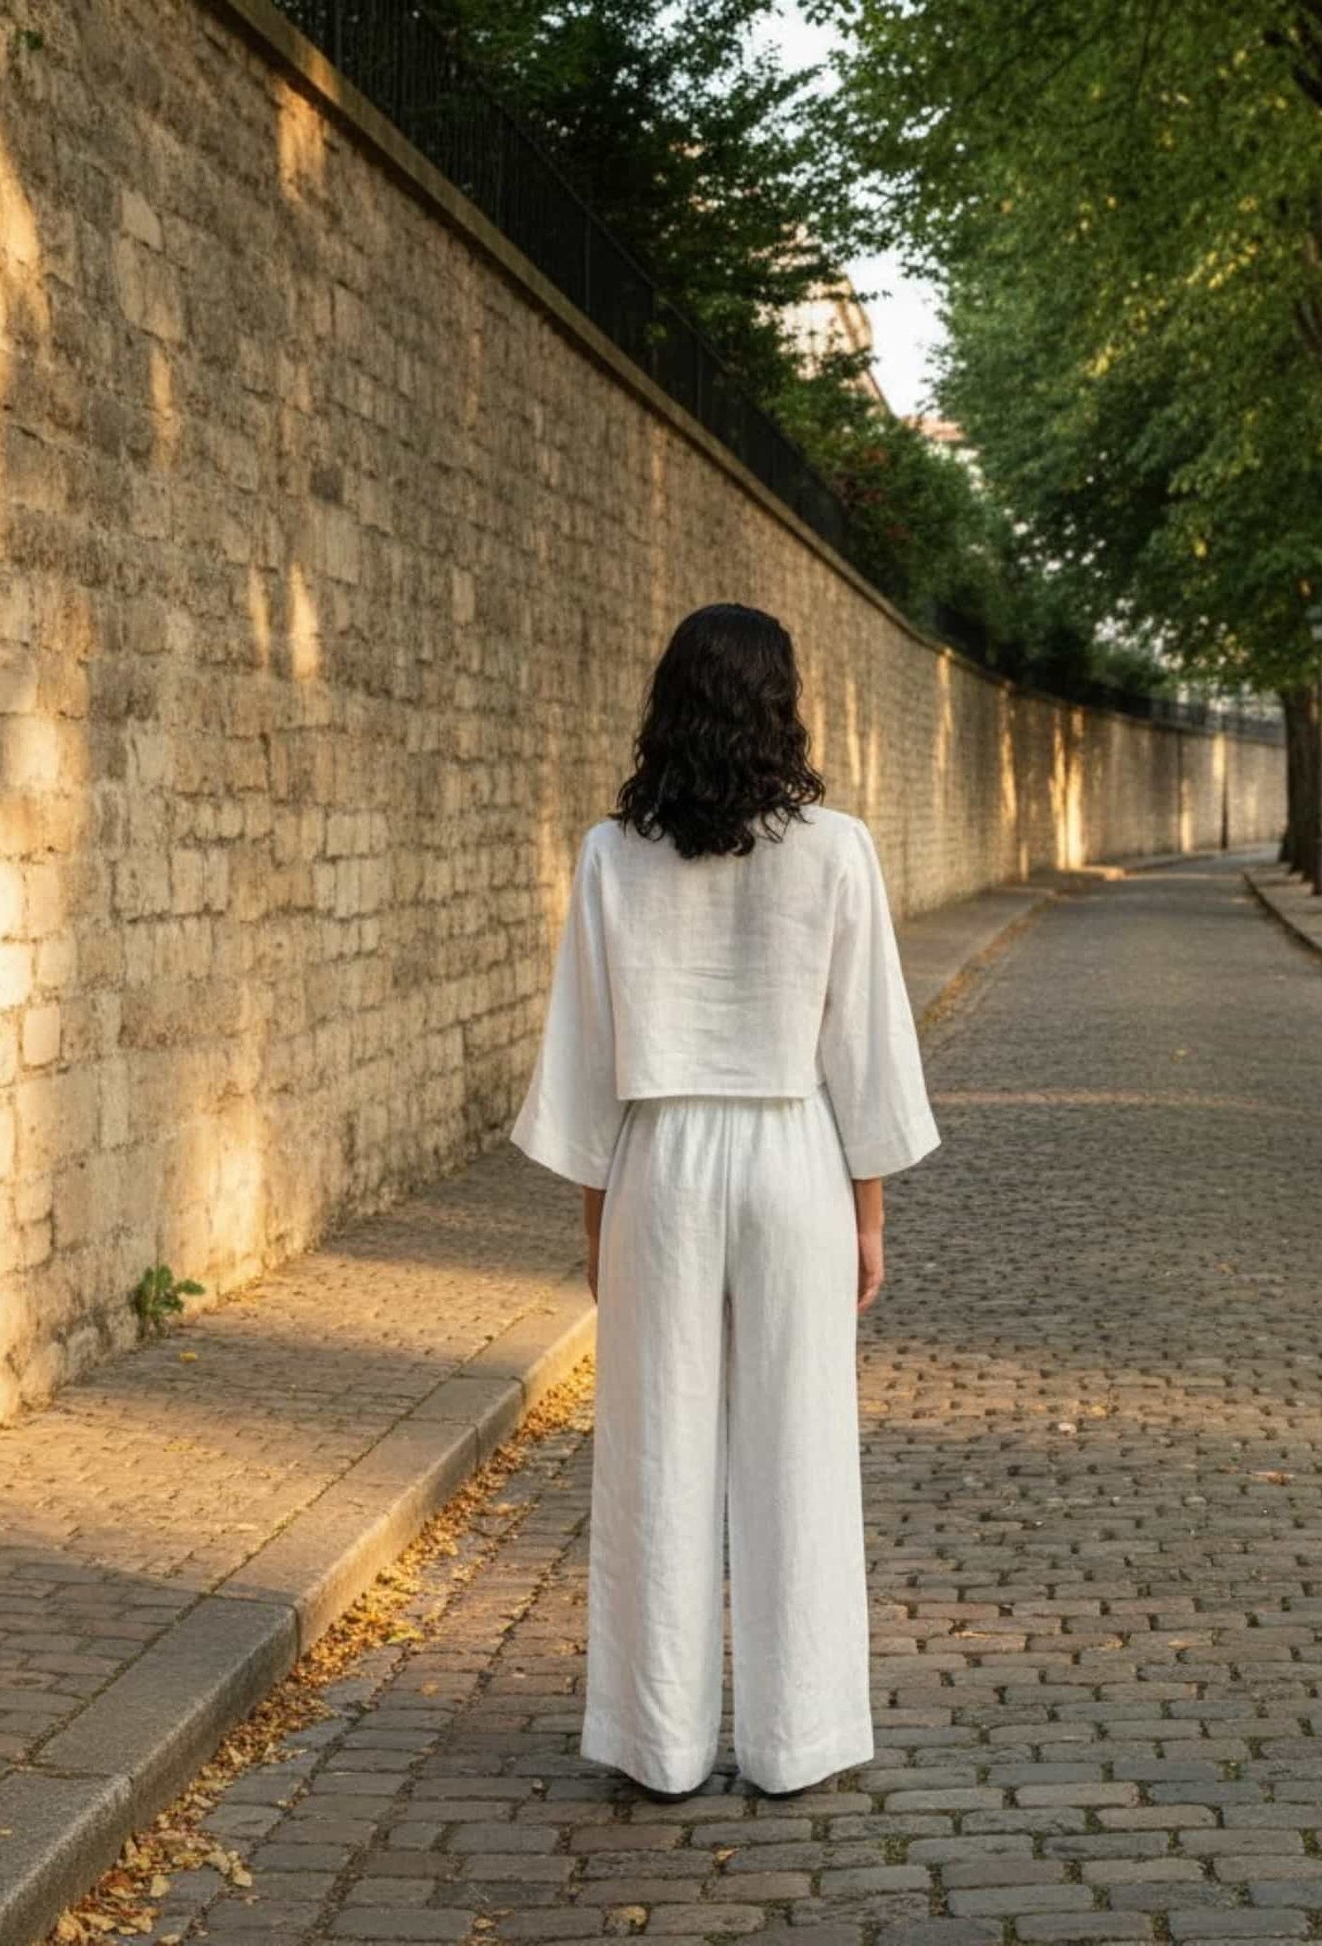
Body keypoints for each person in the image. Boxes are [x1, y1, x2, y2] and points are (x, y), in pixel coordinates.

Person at [511, 602, 939, 1800]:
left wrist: (597, 1226)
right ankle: (795, 1736)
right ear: (780, 705)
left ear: (669, 703)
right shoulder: (835, 847)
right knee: (797, 1444)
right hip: (794, 1149)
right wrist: (868, 1214)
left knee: (653, 1447)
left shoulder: (612, 852)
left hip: (659, 1157)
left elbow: (587, 1051)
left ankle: (657, 1741)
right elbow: (864, 1047)